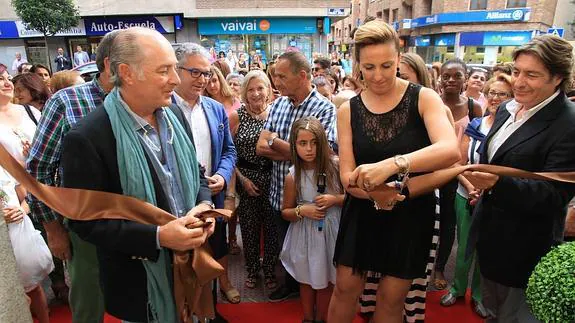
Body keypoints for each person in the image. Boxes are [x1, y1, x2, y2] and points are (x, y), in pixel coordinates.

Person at [62, 27, 216, 323]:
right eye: (164, 70)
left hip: (190, 271)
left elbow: (196, 173)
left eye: (174, 68)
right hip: (139, 285)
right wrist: (158, 237)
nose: (175, 79)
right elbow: (85, 222)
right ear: (127, 73)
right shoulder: (87, 137)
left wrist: (204, 205)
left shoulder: (174, 116)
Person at [328, 20, 459, 323]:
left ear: (400, 58)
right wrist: (377, 193)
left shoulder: (424, 98)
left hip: (411, 213)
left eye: (386, 65)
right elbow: (347, 175)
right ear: (356, 64)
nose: (377, 76)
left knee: (392, 297)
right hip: (363, 210)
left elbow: (450, 149)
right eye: (368, 67)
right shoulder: (348, 109)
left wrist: (393, 165)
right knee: (345, 289)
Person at [464, 35, 575, 322]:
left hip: (525, 250)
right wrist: (485, 190)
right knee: (493, 312)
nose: (519, 82)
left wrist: (497, 186)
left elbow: (554, 194)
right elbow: (496, 163)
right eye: (516, 71)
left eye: (532, 74)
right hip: (490, 239)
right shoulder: (505, 109)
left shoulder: (569, 122)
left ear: (558, 78)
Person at [26, 30, 119, 323]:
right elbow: (39, 170)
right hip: (86, 226)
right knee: (90, 302)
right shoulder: (66, 101)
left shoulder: (142, 102)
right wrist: (53, 230)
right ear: (111, 64)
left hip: (138, 220)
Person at [256, 51, 336, 302]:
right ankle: (291, 285)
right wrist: (293, 150)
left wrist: (276, 143)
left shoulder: (324, 108)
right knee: (286, 248)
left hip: (313, 200)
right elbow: (261, 146)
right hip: (280, 194)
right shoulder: (278, 104)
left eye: (281, 76)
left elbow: (323, 153)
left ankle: (314, 293)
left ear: (302, 76)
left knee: (313, 251)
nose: (275, 82)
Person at [172, 43, 239, 315]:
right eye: (195, 73)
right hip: (177, 205)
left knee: (214, 251)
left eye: (208, 73)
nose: (204, 80)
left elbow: (229, 150)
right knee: (182, 265)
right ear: (177, 71)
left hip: (213, 199)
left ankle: (210, 310)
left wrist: (223, 177)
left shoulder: (214, 108)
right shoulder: (161, 109)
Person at [439, 74, 513, 318]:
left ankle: (479, 296)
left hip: (495, 199)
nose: (495, 98)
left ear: (511, 99)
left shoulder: (511, 130)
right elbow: (460, 163)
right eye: (492, 92)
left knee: (485, 248)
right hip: (465, 193)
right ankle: (457, 288)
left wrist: (485, 190)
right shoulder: (476, 124)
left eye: (502, 94)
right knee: (464, 247)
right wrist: (470, 187)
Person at [280, 117, 343, 323]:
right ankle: (308, 318)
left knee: (326, 279)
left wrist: (334, 199)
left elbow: (352, 198)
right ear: (294, 145)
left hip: (331, 232)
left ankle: (323, 318)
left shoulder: (336, 167)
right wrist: (302, 210)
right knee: (307, 279)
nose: (309, 149)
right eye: (303, 143)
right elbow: (285, 211)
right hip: (305, 234)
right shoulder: (293, 175)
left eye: (314, 142)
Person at [0, 62, 50, 323]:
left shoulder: (30, 112)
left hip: (43, 186)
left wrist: (36, 156)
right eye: (0, 79)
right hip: (11, 190)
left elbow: (50, 147)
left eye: (8, 77)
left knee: (48, 246)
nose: (7, 82)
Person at [433, 58, 482, 292]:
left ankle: (440, 267)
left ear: (465, 78)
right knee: (427, 219)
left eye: (457, 75)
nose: (451, 80)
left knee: (448, 224)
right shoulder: (431, 102)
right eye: (446, 76)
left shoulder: (474, 107)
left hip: (457, 175)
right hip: (431, 172)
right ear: (439, 79)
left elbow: (477, 142)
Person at [228, 70, 279, 291]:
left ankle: (269, 270)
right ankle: (251, 270)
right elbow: (228, 153)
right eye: (251, 89)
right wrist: (242, 180)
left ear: (268, 90)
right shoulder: (237, 116)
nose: (256, 93)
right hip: (246, 179)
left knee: (271, 229)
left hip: (273, 178)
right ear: (244, 93)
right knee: (248, 229)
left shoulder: (276, 113)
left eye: (260, 88)